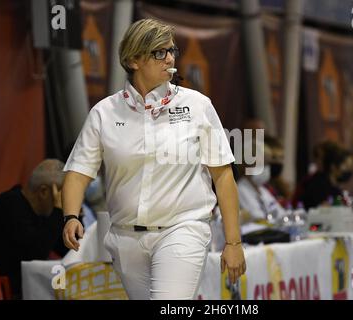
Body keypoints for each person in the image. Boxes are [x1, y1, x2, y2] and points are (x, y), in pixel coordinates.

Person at [62, 18, 245, 300]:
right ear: (134, 60)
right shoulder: (104, 112)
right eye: (159, 52)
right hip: (125, 237)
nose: (169, 58)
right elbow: (78, 171)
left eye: (171, 50)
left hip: (182, 229)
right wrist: (71, 216)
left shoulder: (197, 106)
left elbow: (223, 176)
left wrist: (233, 242)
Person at [0, 159, 67, 299]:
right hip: (3, 291)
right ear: (43, 192)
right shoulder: (10, 205)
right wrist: (59, 211)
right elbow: (36, 252)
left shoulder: (44, 214)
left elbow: (69, 249)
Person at [293, 141, 353, 210]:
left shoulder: (335, 188)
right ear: (333, 166)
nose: (349, 170)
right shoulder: (316, 184)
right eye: (346, 166)